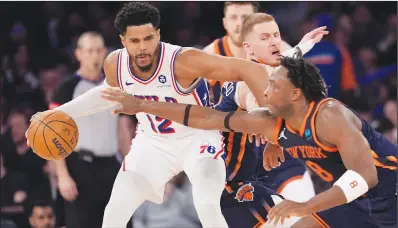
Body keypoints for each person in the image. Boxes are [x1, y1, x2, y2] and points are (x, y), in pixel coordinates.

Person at [26, 2, 274, 228]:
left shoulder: (184, 60)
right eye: (135, 41)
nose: (143, 47)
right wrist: (56, 113)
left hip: (198, 140)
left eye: (148, 38)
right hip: (153, 143)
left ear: (158, 35)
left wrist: (272, 126)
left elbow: (249, 68)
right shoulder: (115, 64)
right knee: (113, 214)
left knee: (207, 206)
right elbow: (106, 94)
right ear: (123, 40)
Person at [102, 51, 397, 228]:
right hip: (354, 203)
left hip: (390, 194)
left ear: (295, 93)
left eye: (273, 84)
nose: (264, 90)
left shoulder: (329, 115)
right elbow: (205, 117)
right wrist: (143, 105)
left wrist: (304, 206)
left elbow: (364, 177)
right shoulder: (270, 123)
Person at [205, 4, 317, 205]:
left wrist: (303, 46)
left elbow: (283, 64)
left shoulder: (276, 57)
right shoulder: (227, 66)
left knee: (308, 210)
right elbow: (257, 106)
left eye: (276, 36)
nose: (239, 23)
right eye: (266, 38)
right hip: (236, 175)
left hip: (275, 157)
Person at [48, 32, 122, 228]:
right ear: (78, 54)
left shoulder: (114, 85)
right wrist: (63, 176)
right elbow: (52, 132)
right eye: (89, 51)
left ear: (105, 52)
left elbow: (122, 128)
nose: (95, 55)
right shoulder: (66, 88)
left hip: (111, 165)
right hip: (80, 167)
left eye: (98, 50)